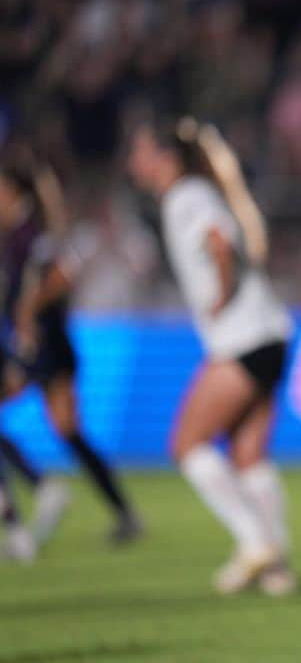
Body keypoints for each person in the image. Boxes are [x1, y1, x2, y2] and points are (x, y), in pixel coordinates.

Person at [127, 118, 295, 596]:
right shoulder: (199, 191)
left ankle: (255, 541)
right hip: (270, 332)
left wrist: (222, 294)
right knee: (249, 455)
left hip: (240, 337)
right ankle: (277, 567)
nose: (133, 162)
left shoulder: (185, 196)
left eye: (140, 151)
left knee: (187, 444)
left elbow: (219, 242)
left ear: (164, 158)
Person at [0, 160, 137, 551]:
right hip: (44, 347)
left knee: (67, 431)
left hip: (44, 347)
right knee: (69, 432)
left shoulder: (30, 233)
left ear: (15, 193)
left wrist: (28, 309)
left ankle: (39, 494)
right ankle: (122, 510)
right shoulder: (19, 234)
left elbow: (63, 273)